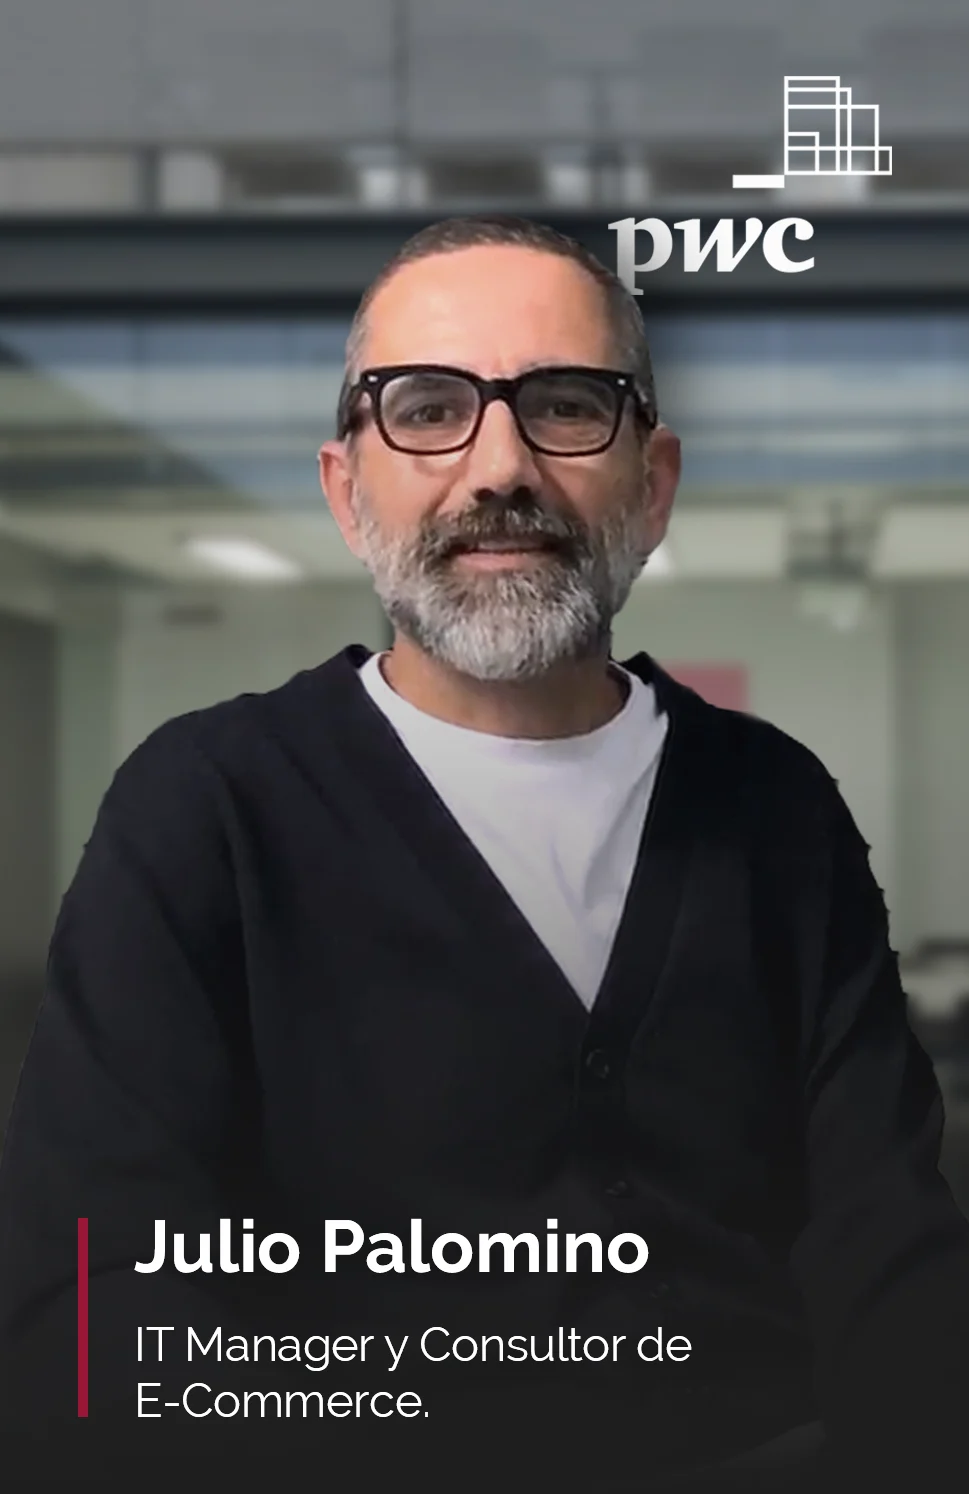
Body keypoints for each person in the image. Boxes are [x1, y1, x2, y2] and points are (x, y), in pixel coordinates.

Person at [1, 214, 968, 1493]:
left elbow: (887, 1252)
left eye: (567, 405)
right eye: (426, 407)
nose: (497, 465)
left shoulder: (773, 803)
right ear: (348, 489)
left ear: (654, 484)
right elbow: (93, 1313)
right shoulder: (205, 807)